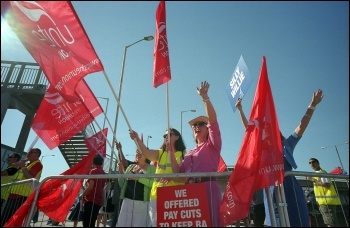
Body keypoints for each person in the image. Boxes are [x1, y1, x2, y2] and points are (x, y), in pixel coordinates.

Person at [235, 88, 324, 227]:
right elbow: (249, 131)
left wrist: (312, 105)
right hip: (271, 195)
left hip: (292, 192)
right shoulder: (261, 150)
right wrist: (240, 110)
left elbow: (302, 126)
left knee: (297, 222)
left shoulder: (286, 144)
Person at [171, 81, 222, 226]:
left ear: (207, 129)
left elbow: (213, 121)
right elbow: (178, 173)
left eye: (201, 124)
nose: (197, 127)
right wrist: (170, 152)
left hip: (208, 190)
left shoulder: (212, 145)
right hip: (190, 194)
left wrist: (205, 97)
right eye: (195, 125)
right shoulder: (189, 153)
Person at [129, 127, 186, 227]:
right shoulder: (161, 153)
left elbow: (182, 176)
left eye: (169, 135)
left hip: (174, 196)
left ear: (177, 137)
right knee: (155, 224)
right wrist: (137, 139)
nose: (166, 137)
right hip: (156, 195)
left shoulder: (183, 154)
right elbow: (146, 152)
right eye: (164, 136)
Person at [1, 148, 43, 227]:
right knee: (5, 219)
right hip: (14, 195)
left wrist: (23, 167)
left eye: (31, 152)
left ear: (37, 154)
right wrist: (19, 163)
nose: (28, 154)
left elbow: (30, 177)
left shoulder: (38, 164)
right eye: (28, 152)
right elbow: (14, 166)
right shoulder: (28, 164)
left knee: (11, 220)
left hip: (22, 196)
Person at [116, 146, 156, 227]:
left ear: (147, 154)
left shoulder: (152, 168)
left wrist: (139, 178)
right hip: (127, 202)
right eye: (137, 151)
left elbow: (154, 184)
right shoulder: (131, 167)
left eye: (141, 151)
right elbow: (122, 184)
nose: (138, 153)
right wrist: (120, 172)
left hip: (142, 204)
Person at [307, 158, 341, 227]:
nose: (311, 164)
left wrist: (313, 180)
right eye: (310, 163)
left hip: (327, 202)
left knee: (330, 223)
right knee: (329, 222)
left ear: (318, 163)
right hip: (323, 202)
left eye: (313, 162)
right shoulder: (317, 173)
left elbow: (327, 184)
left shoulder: (321, 172)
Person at [79, 153, 106, 227]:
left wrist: (82, 195)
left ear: (93, 161)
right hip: (98, 201)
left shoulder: (93, 171)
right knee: (92, 222)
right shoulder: (103, 173)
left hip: (91, 200)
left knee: (87, 223)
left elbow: (90, 187)